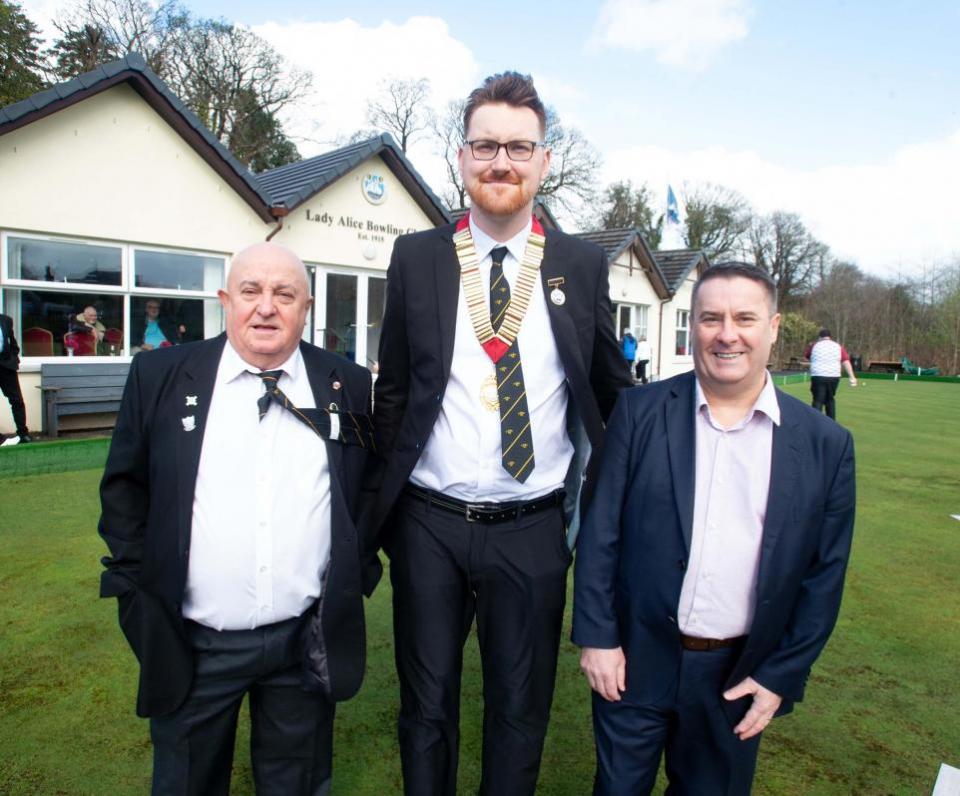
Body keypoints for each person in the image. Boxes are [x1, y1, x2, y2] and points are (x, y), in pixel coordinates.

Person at [366, 71, 632, 795]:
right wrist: (387, 523)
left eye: (520, 148)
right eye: (486, 146)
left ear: (544, 161)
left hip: (533, 530)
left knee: (521, 712)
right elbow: (392, 392)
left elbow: (612, 389)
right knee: (426, 709)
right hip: (428, 524)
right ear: (462, 158)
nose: (501, 163)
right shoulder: (417, 258)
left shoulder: (578, 264)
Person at [98, 242, 375, 795]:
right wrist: (138, 596)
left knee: (296, 783)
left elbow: (365, 489)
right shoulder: (160, 376)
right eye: (251, 291)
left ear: (307, 308)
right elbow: (124, 494)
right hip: (193, 643)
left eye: (284, 294)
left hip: (305, 641)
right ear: (227, 300)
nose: (266, 307)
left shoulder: (348, 384)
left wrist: (355, 575)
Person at [573, 262, 856, 795]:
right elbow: (599, 530)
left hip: (736, 676)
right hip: (633, 661)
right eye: (710, 318)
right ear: (694, 327)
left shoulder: (825, 446)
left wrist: (780, 675)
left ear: (772, 328)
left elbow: (824, 579)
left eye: (744, 318)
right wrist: (597, 638)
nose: (727, 334)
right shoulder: (638, 413)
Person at [805, 328, 857, 419]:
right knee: (830, 399)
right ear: (830, 337)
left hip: (818, 375)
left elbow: (807, 356)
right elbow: (846, 362)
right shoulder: (838, 346)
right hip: (834, 376)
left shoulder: (814, 345)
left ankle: (815, 422)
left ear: (820, 337)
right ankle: (832, 423)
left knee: (818, 400)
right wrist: (852, 377)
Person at [0, 313, 33, 445]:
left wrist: (13, 358)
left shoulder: (6, 320)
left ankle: (23, 434)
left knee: (17, 400)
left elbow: (13, 343)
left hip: (6, 365)